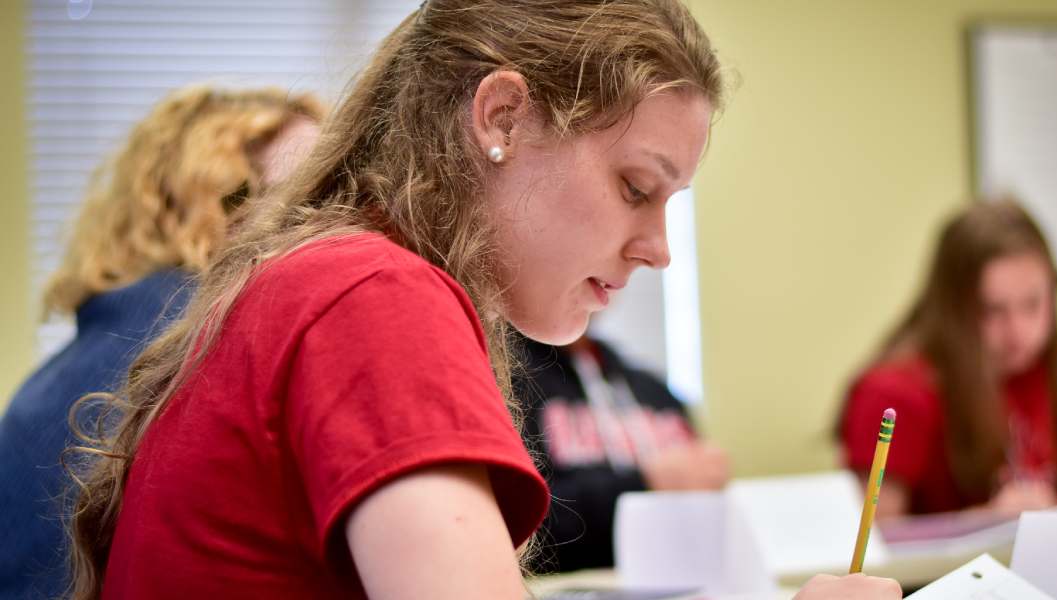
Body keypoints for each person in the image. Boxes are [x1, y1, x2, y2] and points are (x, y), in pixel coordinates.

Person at [63, 2, 900, 599]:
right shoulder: (376, 297)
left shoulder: (321, 276)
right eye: (635, 186)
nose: (659, 250)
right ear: (500, 115)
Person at [0, 85, 323, 600]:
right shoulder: (199, 341)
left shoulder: (63, 369)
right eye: (305, 196)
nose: (332, 221)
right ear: (222, 205)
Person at [838, 200, 1057, 520]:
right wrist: (984, 522)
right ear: (951, 310)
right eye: (992, 310)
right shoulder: (896, 392)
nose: (1018, 331)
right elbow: (874, 538)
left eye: (1033, 304)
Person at [515, 334, 729, 573]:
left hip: (671, 575)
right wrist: (643, 482)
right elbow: (517, 520)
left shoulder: (653, 390)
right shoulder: (512, 384)